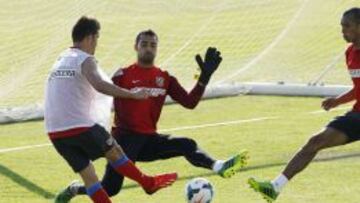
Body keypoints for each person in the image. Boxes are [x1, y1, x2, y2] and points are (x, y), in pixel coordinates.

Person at [58, 29, 249, 201]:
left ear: (157, 48)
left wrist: (204, 79)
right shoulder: (121, 75)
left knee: (186, 144)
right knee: (110, 189)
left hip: (149, 141)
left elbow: (190, 103)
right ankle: (75, 189)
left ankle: (219, 166)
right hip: (123, 143)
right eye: (144, 44)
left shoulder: (165, 78)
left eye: (153, 45)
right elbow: (100, 97)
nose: (148, 48)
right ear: (136, 47)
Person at [46, 17, 177, 203]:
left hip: (55, 132)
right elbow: (99, 85)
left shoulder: (61, 59)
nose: (96, 45)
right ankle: (148, 183)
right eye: (97, 39)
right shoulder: (86, 59)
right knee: (116, 152)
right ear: (90, 37)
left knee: (91, 180)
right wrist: (132, 94)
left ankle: (147, 183)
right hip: (80, 126)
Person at [248, 7, 360, 203]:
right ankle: (274, 187)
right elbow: (357, 89)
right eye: (341, 27)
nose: (343, 31)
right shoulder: (350, 53)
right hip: (357, 115)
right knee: (315, 142)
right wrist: (336, 101)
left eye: (347, 26)